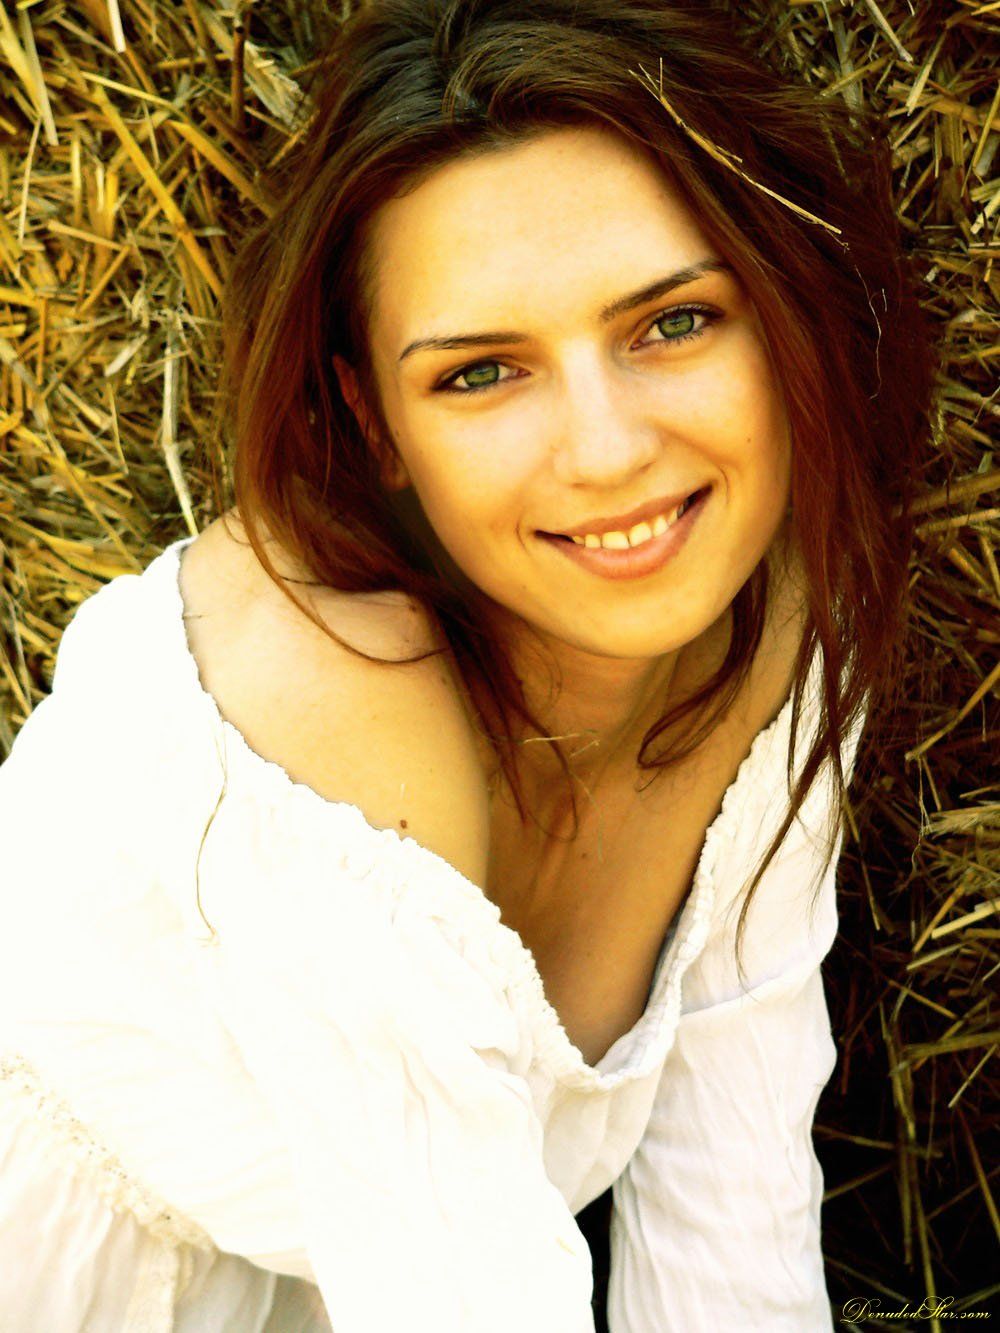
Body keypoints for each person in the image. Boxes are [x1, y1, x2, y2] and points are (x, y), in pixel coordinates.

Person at [0, 1, 934, 1329]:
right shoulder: (327, 695)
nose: (607, 449)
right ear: (374, 422)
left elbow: (733, 1219)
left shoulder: (774, 623)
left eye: (674, 322)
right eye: (484, 373)